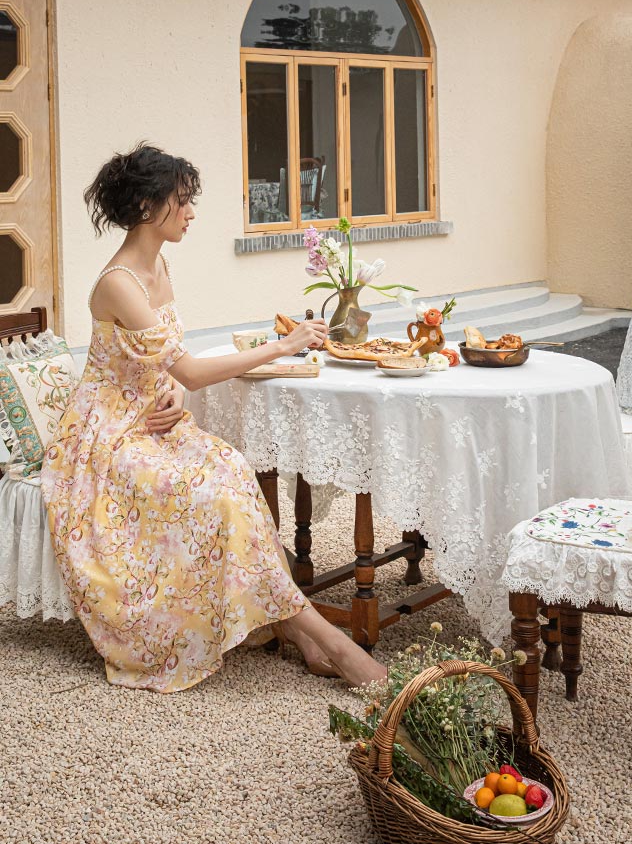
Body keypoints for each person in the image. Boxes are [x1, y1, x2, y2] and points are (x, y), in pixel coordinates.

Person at [41, 143, 387, 694]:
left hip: (152, 418)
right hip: (104, 438)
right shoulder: (119, 283)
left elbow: (172, 365)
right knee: (211, 496)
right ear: (149, 206)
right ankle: (332, 643)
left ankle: (296, 634)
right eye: (182, 201)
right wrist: (282, 345)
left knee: (230, 468)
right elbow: (195, 369)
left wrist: (174, 391)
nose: (191, 213)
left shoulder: (159, 264)